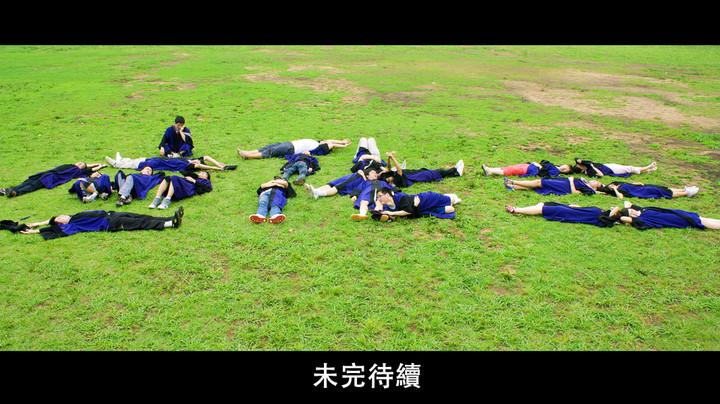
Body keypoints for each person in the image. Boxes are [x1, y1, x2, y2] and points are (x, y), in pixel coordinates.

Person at [19, 208, 184, 239]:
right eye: (59, 219)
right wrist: (35, 231)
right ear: (60, 223)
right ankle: (170, 224)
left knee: (142, 216)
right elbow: (54, 230)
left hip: (112, 214)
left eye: (61, 216)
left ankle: (170, 218)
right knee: (140, 223)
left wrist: (35, 223)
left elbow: (50, 220)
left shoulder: (74, 216)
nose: (62, 216)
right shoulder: (73, 225)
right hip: (111, 224)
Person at [1, 162, 106, 198]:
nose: (79, 163)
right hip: (46, 173)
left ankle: (16, 192)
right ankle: (7, 190)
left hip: (51, 177)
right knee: (27, 182)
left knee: (34, 185)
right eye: (79, 162)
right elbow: (85, 164)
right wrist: (86, 164)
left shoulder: (78, 171)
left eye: (81, 164)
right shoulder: (70, 165)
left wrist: (99, 165)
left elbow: (91, 169)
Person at [609, 201, 720, 230]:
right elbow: (623, 218)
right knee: (700, 222)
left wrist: (618, 208)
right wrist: (617, 214)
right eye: (631, 213)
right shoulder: (641, 219)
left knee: (700, 218)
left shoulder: (642, 210)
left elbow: (627, 203)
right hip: (674, 219)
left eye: (631, 210)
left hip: (675, 213)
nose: (633, 212)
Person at [378, 151, 463, 188]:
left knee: (433, 172)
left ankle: (454, 170)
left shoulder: (389, 177)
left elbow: (388, 168)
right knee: (436, 173)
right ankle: (456, 172)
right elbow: (399, 170)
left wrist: (389, 159)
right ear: (389, 180)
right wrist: (393, 158)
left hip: (412, 173)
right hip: (414, 177)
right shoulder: (396, 181)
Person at [373, 188, 462, 221]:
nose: (379, 199)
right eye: (378, 197)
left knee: (451, 200)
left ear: (387, 195)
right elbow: (381, 213)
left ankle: (451, 197)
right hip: (422, 209)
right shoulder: (387, 206)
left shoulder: (401, 197)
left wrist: (391, 213)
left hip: (426, 199)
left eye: (380, 196)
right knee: (450, 209)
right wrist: (378, 207)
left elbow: (408, 211)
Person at [504, 202, 616, 227]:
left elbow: (616, 209)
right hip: (568, 209)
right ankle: (521, 209)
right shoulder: (600, 213)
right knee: (542, 205)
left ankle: (516, 210)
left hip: (565, 212)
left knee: (541, 209)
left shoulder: (603, 218)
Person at [105, 152, 235, 172]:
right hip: (157, 159)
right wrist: (218, 163)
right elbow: (206, 157)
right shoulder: (187, 160)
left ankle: (117, 164)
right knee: (138, 159)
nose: (197, 160)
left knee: (135, 164)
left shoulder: (188, 165)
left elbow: (200, 164)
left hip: (157, 164)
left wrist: (218, 169)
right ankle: (121, 160)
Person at [148, 171, 212, 209]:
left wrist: (194, 181)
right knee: (167, 178)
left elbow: (208, 189)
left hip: (188, 188)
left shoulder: (206, 181)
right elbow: (183, 171)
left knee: (174, 178)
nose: (202, 173)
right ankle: (157, 198)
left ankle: (167, 200)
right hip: (182, 184)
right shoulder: (194, 176)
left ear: (207, 177)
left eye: (204, 173)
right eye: (201, 172)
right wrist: (194, 175)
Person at [237, 138, 351, 159]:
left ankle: (248, 156)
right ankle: (248, 152)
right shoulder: (318, 143)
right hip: (290, 144)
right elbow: (330, 140)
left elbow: (331, 144)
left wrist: (343, 145)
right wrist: (341, 141)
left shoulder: (320, 147)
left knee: (270, 152)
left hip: (291, 148)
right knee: (268, 147)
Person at [595, 181, 699, 199]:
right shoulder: (614, 191)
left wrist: (634, 183)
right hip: (640, 192)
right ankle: (686, 193)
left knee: (660, 188)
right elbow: (621, 197)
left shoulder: (616, 184)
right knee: (659, 192)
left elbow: (626, 183)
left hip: (639, 187)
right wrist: (615, 190)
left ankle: (683, 190)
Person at [503, 176, 597, 196]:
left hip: (564, 186)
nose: (595, 180)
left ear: (596, 187)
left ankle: (512, 181)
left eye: (597, 182)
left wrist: (571, 180)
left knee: (538, 182)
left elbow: (575, 193)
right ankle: (512, 187)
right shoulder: (585, 182)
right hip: (562, 182)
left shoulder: (590, 190)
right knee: (538, 185)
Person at [572, 158, 657, 178]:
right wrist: (593, 167)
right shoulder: (589, 172)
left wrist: (580, 161)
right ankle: (648, 167)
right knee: (630, 169)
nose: (580, 164)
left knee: (629, 169)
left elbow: (577, 159)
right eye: (579, 166)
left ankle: (648, 170)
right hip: (611, 170)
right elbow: (601, 175)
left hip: (608, 165)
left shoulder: (587, 164)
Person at [481, 160, 570, 177]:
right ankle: (491, 170)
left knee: (512, 170)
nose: (565, 168)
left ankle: (490, 171)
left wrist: (539, 166)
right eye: (566, 166)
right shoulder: (554, 166)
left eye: (567, 170)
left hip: (532, 169)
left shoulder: (555, 172)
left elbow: (545, 174)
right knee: (511, 167)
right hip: (531, 165)